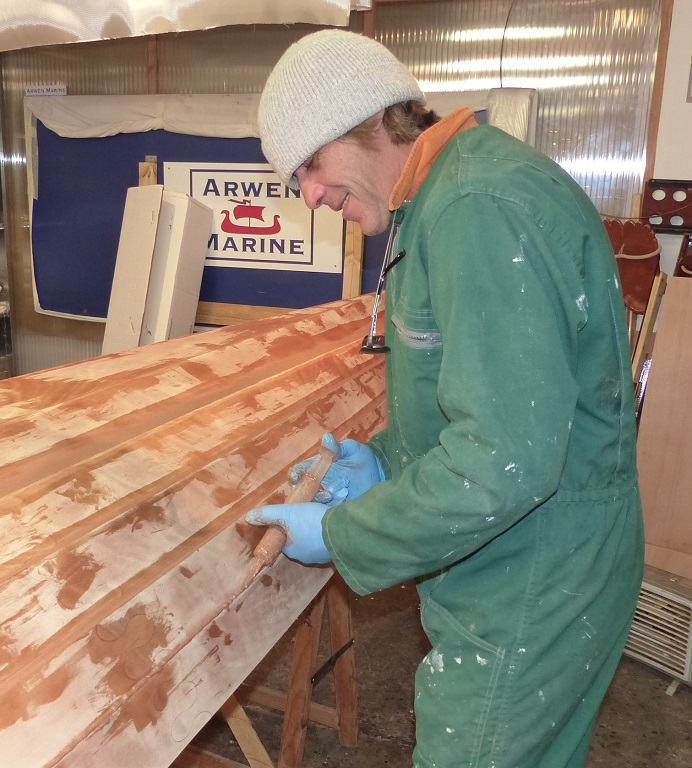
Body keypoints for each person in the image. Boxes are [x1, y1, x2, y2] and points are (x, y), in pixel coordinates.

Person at [246, 29, 644, 768]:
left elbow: (503, 462)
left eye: (311, 164)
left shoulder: (477, 207)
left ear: (371, 123)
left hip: (533, 578)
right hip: (524, 556)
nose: (309, 194)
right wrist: (387, 460)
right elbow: (473, 396)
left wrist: (343, 533)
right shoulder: (434, 202)